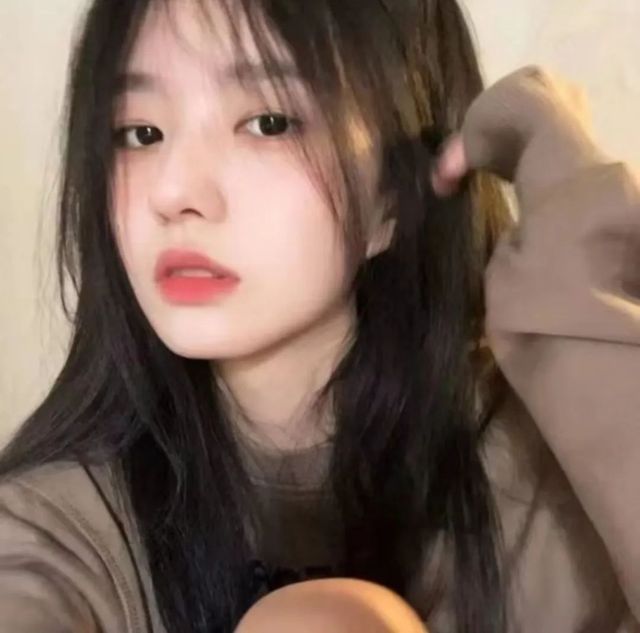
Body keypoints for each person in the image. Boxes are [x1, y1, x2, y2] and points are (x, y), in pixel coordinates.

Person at [0, 0, 638, 632]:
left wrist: (580, 239)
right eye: (140, 133)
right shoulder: (53, 539)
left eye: (269, 123)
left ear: (396, 192)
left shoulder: (550, 482)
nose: (173, 193)